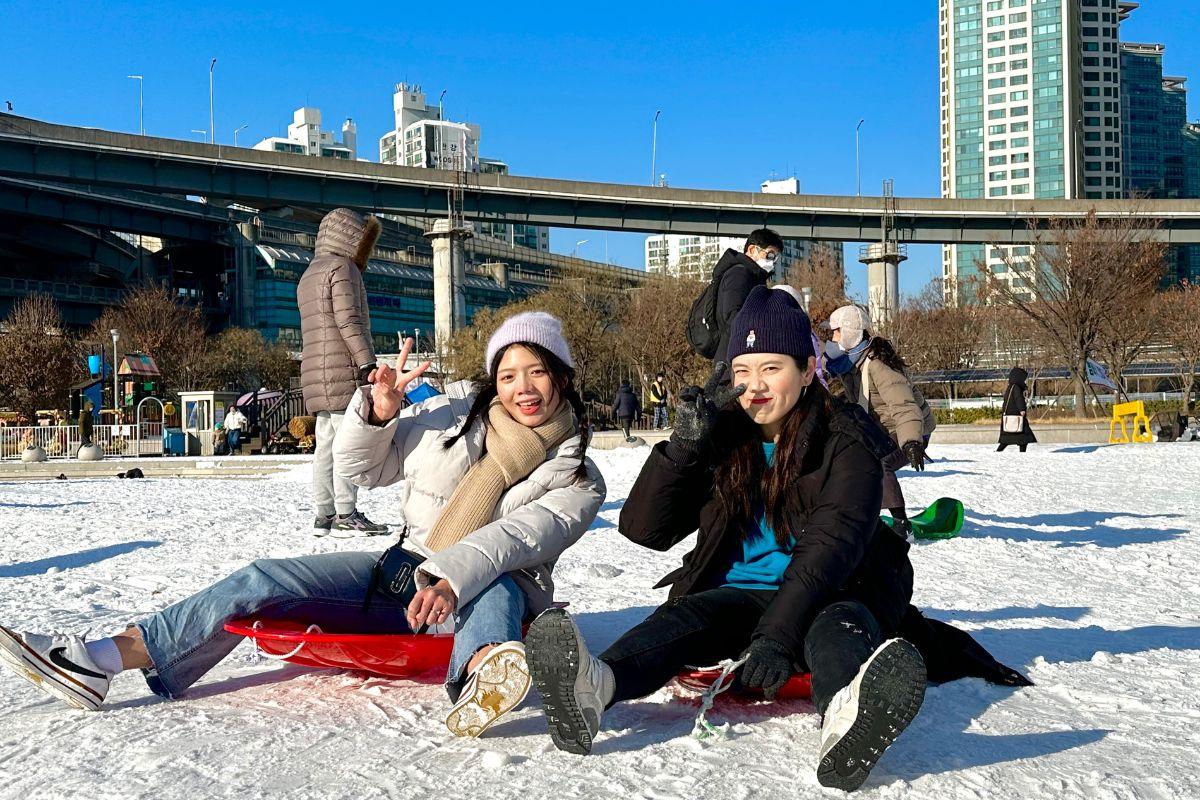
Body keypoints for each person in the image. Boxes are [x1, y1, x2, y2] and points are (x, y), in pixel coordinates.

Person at [0, 314, 606, 741]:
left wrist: (450, 577)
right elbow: (363, 471)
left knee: (495, 584)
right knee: (263, 578)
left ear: (561, 375)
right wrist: (378, 416)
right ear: (493, 381)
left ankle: (484, 675)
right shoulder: (451, 416)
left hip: (489, 589)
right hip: (400, 570)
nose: (522, 387)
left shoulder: (578, 474)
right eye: (508, 374)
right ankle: (103, 659)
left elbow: (517, 537)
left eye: (536, 372)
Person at [524, 288, 1026, 791]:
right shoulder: (724, 434)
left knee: (836, 630)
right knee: (683, 619)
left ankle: (847, 718)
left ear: (807, 371)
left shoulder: (846, 439)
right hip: (740, 593)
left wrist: (776, 637)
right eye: (742, 371)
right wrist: (683, 448)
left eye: (771, 368)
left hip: (836, 587)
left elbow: (828, 550)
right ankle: (594, 687)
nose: (754, 386)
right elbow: (643, 529)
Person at [297, 207, 387, 535]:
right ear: (353, 238)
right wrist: (367, 362)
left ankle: (324, 514)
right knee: (347, 443)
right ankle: (346, 513)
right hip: (342, 370)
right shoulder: (343, 268)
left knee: (325, 445)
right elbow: (349, 321)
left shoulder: (309, 273)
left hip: (315, 374)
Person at [822, 305, 935, 538]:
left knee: (879, 463)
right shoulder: (850, 364)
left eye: (835, 332)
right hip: (883, 429)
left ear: (849, 333)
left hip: (911, 431)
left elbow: (904, 404)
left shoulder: (877, 364)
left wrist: (912, 441)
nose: (831, 338)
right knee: (851, 460)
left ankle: (901, 524)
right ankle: (858, 513)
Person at [712, 228, 785, 365]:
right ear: (752, 250)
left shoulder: (754, 277)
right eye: (770, 255)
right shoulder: (739, 274)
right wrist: (760, 331)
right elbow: (732, 316)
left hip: (743, 352)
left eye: (776, 258)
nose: (772, 261)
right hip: (734, 356)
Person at [997, 366, 1036, 452]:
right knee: (1022, 436)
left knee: (1008, 438)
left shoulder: (1010, 387)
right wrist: (1022, 409)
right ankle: (1021, 453)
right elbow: (1019, 399)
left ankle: (999, 451)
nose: (1024, 381)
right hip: (1016, 415)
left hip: (1009, 415)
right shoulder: (1016, 388)